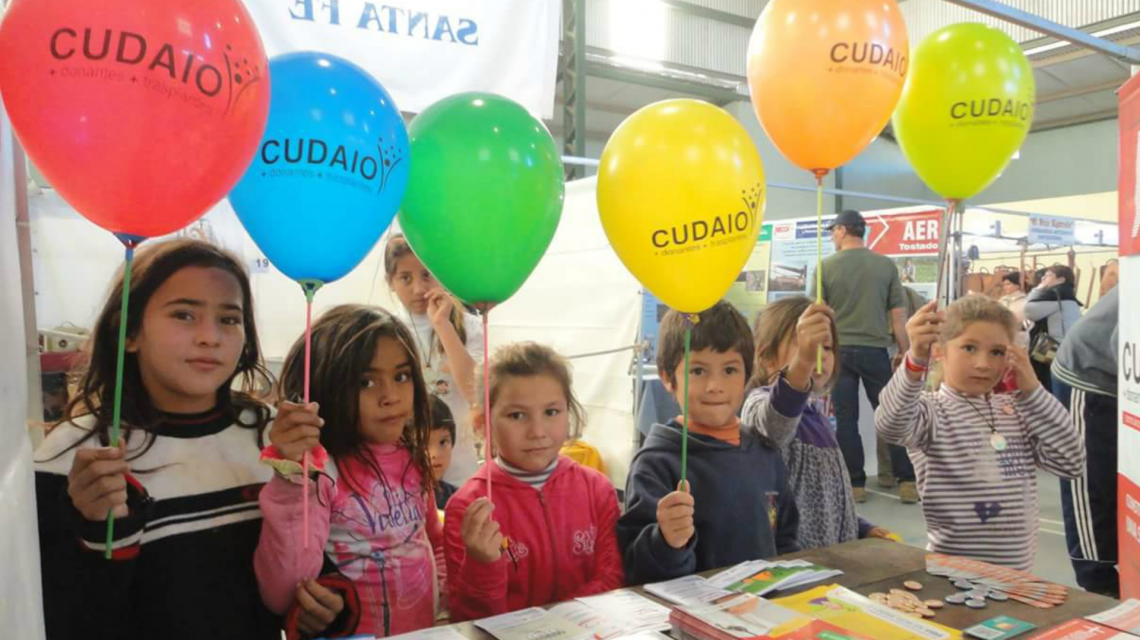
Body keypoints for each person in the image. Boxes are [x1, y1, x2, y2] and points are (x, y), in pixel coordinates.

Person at [33, 239, 280, 640]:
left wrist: (325, 599)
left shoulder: (270, 434)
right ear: (129, 332)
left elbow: (300, 558)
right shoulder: (72, 456)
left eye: (229, 319)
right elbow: (55, 615)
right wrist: (99, 535)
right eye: (184, 314)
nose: (210, 337)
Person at [255, 305, 444, 638]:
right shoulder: (320, 471)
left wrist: (445, 607)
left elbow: (433, 540)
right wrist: (294, 478)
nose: (390, 396)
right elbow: (284, 590)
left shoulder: (411, 456)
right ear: (325, 385)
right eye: (366, 382)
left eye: (401, 376)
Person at [876, 296, 1085, 570]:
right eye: (969, 348)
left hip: (1016, 575)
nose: (983, 364)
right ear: (939, 351)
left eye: (997, 352)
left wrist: (1033, 391)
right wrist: (915, 359)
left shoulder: (1018, 410)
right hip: (952, 572)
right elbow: (890, 424)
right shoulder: (932, 412)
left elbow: (1071, 462)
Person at [619, 302, 799, 585]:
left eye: (729, 370)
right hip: (693, 609)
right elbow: (637, 568)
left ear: (747, 374)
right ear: (667, 377)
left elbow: (785, 538)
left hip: (766, 606)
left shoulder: (765, 453)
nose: (715, 385)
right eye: (698, 371)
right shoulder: (656, 463)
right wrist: (666, 541)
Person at [444, 342, 623, 620]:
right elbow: (467, 617)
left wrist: (561, 621)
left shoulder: (597, 489)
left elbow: (612, 576)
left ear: (568, 412)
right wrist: (481, 565)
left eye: (551, 412)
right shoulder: (468, 508)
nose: (537, 431)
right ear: (482, 423)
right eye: (517, 415)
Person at [743, 297, 894, 550]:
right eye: (805, 345)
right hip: (795, 564)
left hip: (831, 560)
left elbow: (830, 499)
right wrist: (802, 363)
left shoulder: (817, 415)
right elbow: (774, 427)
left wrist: (861, 528)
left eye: (827, 347)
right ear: (766, 356)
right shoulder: (760, 403)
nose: (819, 355)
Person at [814, 209, 916, 503]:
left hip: (840, 352)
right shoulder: (885, 266)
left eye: (833, 231)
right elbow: (898, 316)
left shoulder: (825, 267)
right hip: (875, 351)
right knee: (891, 414)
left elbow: (818, 315)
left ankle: (855, 485)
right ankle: (907, 481)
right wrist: (905, 353)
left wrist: (820, 354)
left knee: (846, 419)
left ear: (843, 230)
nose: (832, 237)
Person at [384, 234, 483, 484]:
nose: (419, 289)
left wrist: (442, 326)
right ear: (390, 282)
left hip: (459, 472)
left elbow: (476, 393)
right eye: (405, 278)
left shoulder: (470, 326)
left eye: (427, 275)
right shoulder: (385, 331)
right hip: (402, 473)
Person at [1052, 287, 1120, 598]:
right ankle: (1098, 582)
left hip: (1117, 377)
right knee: (1091, 480)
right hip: (1089, 376)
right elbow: (1127, 344)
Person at [1024, 265, 1083, 392]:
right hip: (1065, 348)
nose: (1043, 278)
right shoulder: (1066, 295)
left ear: (1061, 280)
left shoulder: (1057, 296)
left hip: (1052, 349)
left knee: (1048, 386)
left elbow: (1028, 310)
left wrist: (1038, 289)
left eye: (1048, 275)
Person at [429, 394, 459, 510]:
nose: (435, 454)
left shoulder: (458, 499)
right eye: (423, 444)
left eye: (443, 442)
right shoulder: (394, 503)